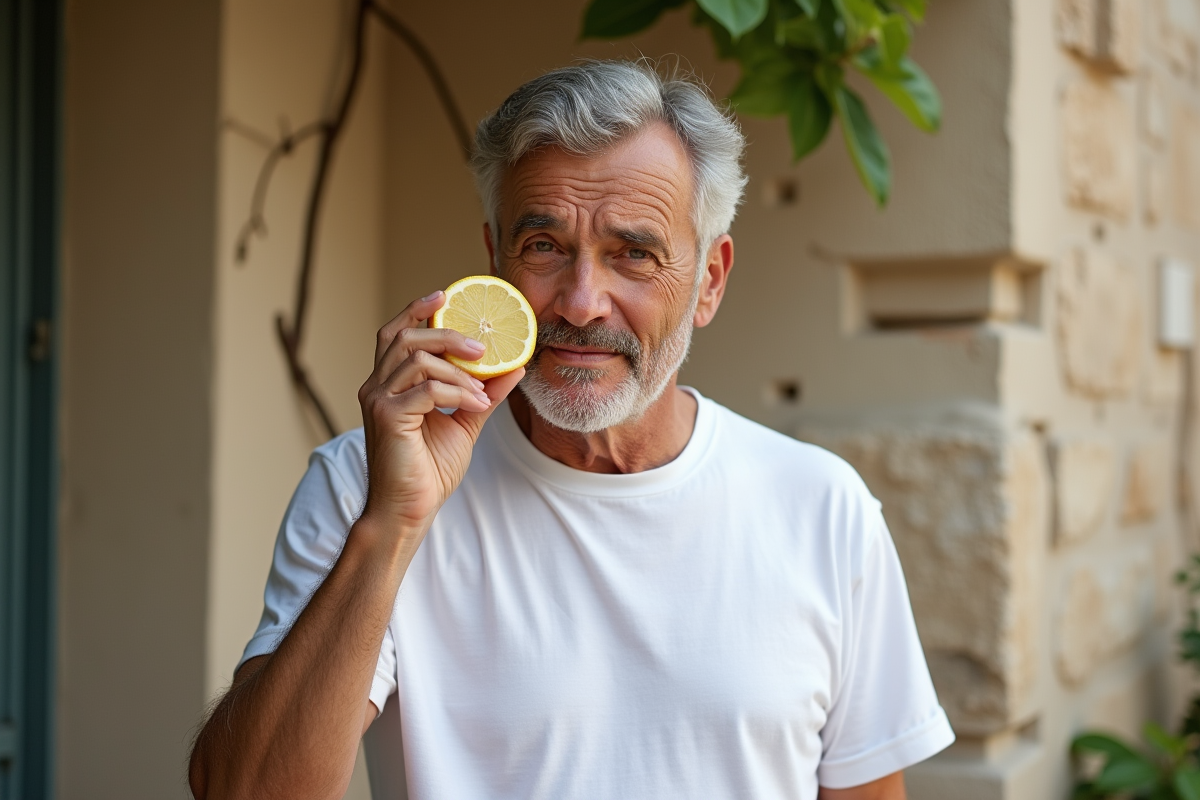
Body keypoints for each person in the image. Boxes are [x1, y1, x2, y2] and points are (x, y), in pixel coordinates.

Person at [188, 59, 954, 800]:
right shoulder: (366, 485)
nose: (582, 302)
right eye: (545, 247)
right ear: (495, 262)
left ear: (709, 281)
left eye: (634, 254)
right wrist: (392, 525)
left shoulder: (823, 508)